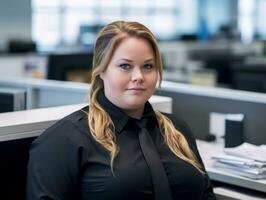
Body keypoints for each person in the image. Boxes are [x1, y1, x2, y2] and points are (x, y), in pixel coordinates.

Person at [27, 21, 216, 200]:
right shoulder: (65, 139)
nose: (139, 76)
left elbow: (206, 195)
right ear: (101, 70)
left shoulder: (176, 129)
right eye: (125, 66)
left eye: (148, 66)